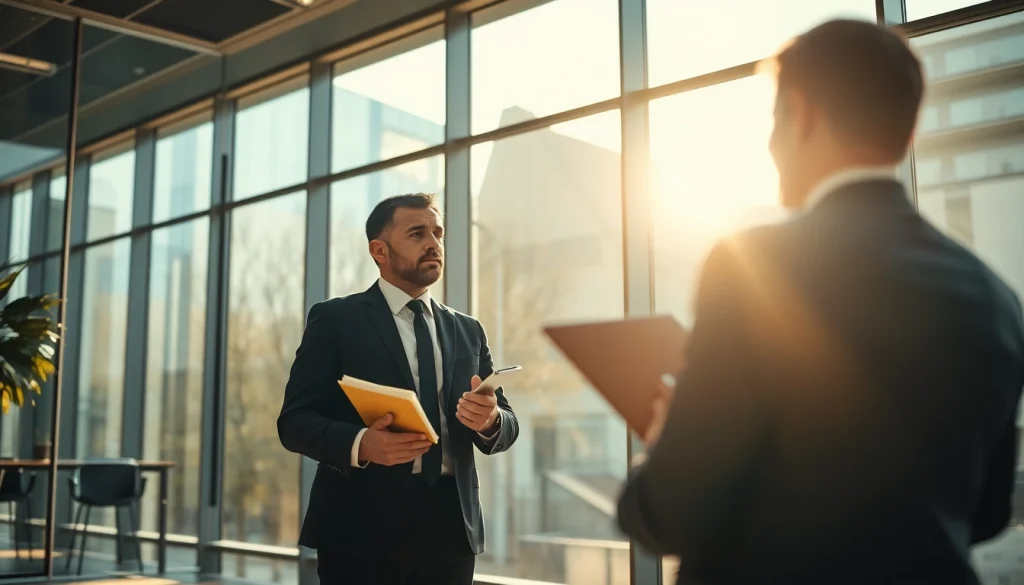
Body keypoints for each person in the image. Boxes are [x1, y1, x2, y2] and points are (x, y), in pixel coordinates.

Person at [617, 19, 1024, 584]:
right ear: (907, 131)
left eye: (774, 118)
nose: (769, 143)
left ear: (801, 113)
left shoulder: (754, 266)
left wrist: (662, 447)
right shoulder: (996, 299)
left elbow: (668, 512)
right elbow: (987, 513)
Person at [278, 193, 519, 585]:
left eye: (438, 233)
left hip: (451, 531)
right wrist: (361, 444)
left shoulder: (468, 330)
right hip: (358, 529)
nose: (434, 243)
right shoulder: (335, 320)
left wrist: (490, 420)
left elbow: (507, 425)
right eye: (417, 233)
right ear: (380, 250)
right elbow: (294, 422)